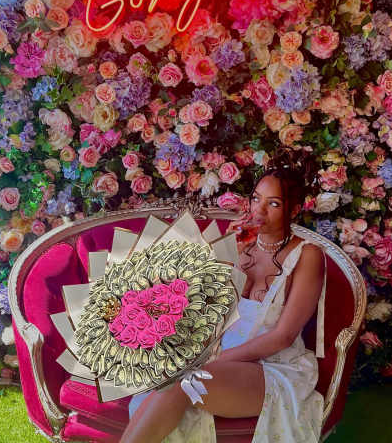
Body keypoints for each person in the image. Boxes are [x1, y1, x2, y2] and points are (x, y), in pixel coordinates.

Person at [120, 150, 326, 443]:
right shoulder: (242, 244)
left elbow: (282, 337)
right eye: (256, 199)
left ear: (293, 210)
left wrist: (213, 361)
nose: (259, 210)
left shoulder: (307, 255)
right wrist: (229, 254)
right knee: (168, 376)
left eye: (273, 203)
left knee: (186, 381)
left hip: (273, 366)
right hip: (221, 357)